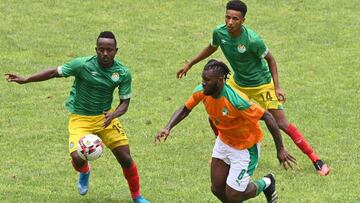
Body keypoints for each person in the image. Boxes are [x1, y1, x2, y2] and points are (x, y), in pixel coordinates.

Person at [177, 0, 330, 176]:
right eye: (227, 17)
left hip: (261, 85)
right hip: (239, 82)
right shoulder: (219, 32)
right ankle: (223, 152)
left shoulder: (252, 40)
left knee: (281, 123)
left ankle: (316, 160)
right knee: (214, 116)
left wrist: (277, 88)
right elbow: (212, 47)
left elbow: (271, 60)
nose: (230, 22)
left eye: (235, 19)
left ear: (243, 20)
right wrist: (190, 64)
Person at [5, 31, 150, 203]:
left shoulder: (123, 73)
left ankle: (137, 197)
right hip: (81, 118)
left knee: (125, 158)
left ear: (115, 51)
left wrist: (113, 115)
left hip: (106, 117)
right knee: (77, 157)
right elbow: (53, 72)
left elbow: (125, 103)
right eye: (101, 49)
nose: (105, 53)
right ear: (96, 49)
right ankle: (84, 171)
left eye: (109, 50)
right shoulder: (82, 65)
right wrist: (26, 79)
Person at [156, 59, 296, 203]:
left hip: (245, 148)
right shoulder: (202, 92)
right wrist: (168, 127)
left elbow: (268, 117)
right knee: (217, 189)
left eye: (207, 80)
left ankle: (267, 182)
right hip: (224, 142)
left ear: (220, 80)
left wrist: (280, 149)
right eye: (203, 79)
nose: (203, 83)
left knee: (233, 195)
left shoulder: (236, 101)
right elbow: (186, 109)